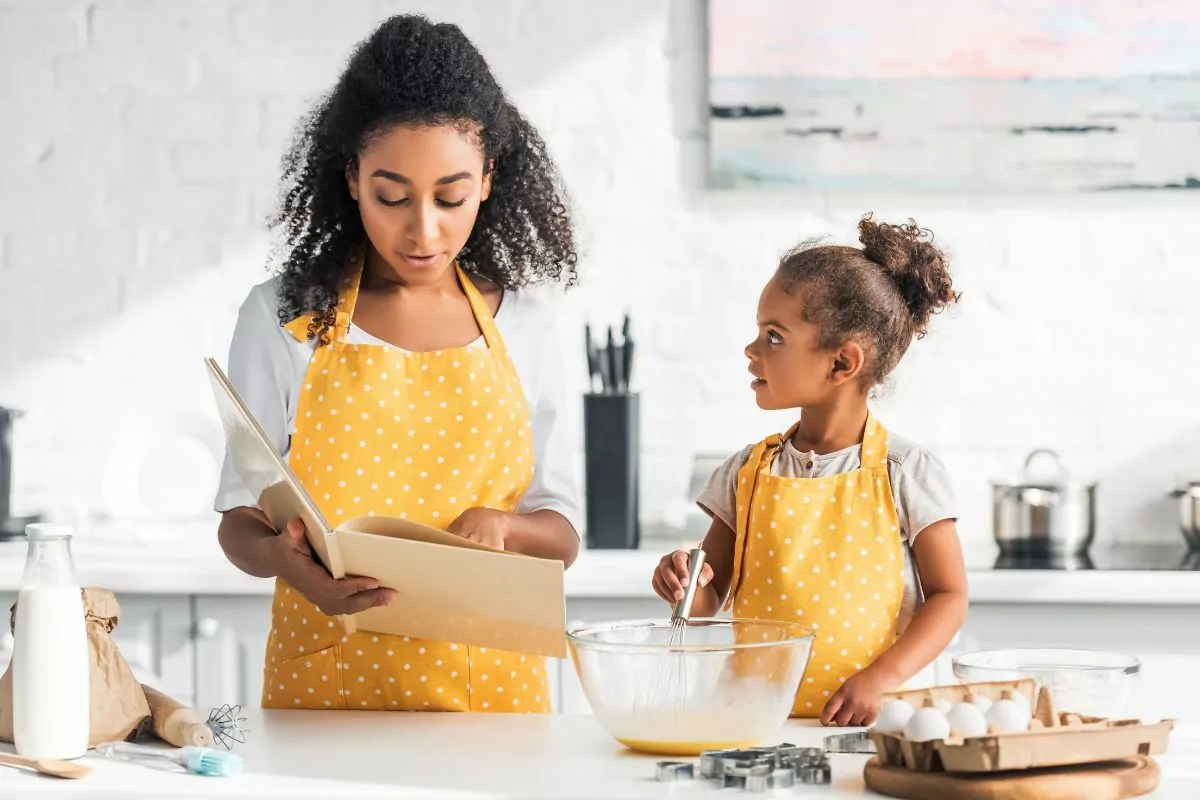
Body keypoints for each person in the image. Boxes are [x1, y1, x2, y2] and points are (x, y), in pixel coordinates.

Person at [214, 14, 581, 713]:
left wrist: (503, 528)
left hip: (491, 703)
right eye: (392, 195)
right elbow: (238, 516)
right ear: (351, 178)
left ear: (488, 178)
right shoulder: (281, 319)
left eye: (451, 196)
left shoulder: (527, 327)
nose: (423, 229)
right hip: (322, 690)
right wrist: (281, 562)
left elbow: (560, 535)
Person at [652, 215, 968, 726]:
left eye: (774, 336)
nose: (752, 350)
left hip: (870, 727)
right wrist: (684, 580)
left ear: (842, 363)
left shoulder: (905, 472)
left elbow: (949, 597)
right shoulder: (746, 473)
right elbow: (708, 599)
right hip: (753, 723)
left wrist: (880, 678)